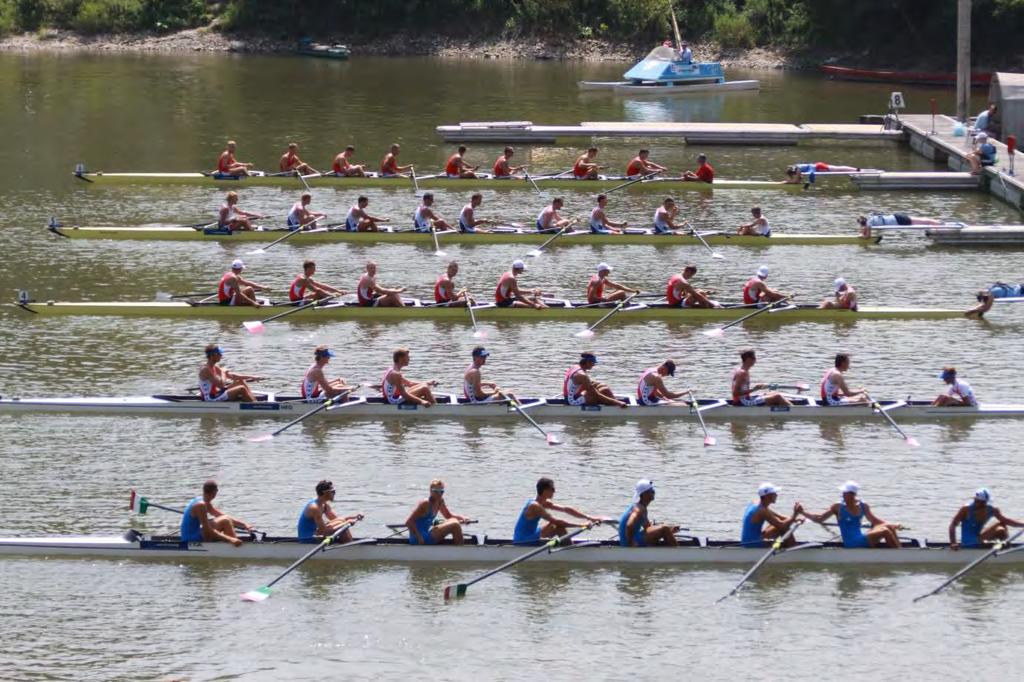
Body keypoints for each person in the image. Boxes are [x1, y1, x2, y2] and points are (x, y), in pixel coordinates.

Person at [802, 481, 902, 549]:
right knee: (885, 530)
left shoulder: (863, 505)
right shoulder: (838, 506)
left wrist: (893, 524)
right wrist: (802, 512)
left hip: (861, 538)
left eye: (845, 492)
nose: (842, 494)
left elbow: (875, 522)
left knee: (889, 527)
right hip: (851, 543)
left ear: (852, 494)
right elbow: (820, 518)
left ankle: (900, 552)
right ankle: (900, 554)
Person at [513, 477, 604, 544]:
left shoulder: (543, 502)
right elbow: (557, 522)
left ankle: (567, 548)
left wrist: (590, 518)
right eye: (552, 489)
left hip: (532, 533)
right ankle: (570, 553)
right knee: (557, 526)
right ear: (545, 490)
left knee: (555, 526)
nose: (554, 491)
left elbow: (565, 509)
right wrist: (582, 525)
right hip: (523, 540)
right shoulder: (535, 506)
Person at [181, 480, 252, 546]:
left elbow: (220, 515)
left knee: (225, 518)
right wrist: (230, 539)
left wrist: (244, 525)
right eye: (217, 490)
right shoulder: (200, 505)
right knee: (225, 521)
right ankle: (235, 547)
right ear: (214, 492)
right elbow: (207, 529)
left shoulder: (202, 500)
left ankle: (235, 544)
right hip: (190, 539)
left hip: (195, 533)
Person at [948, 487, 1024, 549]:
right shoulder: (965, 509)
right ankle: (1003, 548)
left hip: (979, 539)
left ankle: (1004, 548)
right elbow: (953, 525)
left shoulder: (991, 509)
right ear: (975, 499)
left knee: (1001, 526)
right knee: (1000, 528)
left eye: (984, 502)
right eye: (977, 501)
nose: (978, 503)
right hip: (968, 544)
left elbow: (1007, 521)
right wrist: (953, 543)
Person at [406, 479, 472, 545]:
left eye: (441, 491)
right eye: (436, 491)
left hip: (427, 534)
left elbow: (448, 515)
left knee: (453, 520)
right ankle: (461, 551)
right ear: (431, 491)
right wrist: (419, 537)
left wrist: (463, 518)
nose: (439, 494)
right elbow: (409, 522)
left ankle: (459, 548)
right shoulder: (425, 503)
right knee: (455, 525)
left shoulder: (440, 501)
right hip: (419, 539)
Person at [297, 480, 362, 542]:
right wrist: (347, 523)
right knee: (342, 526)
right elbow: (323, 532)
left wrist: (354, 517)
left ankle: (348, 545)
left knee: (341, 521)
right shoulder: (315, 508)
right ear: (325, 493)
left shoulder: (323, 504)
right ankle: (349, 549)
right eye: (333, 491)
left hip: (316, 532)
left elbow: (336, 519)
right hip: (307, 538)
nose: (334, 493)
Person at [619, 479, 679, 547]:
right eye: (651, 491)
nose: (654, 492)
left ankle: (668, 553)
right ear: (644, 494)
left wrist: (670, 530)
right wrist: (631, 543)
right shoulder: (638, 510)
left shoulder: (642, 507)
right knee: (664, 528)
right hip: (630, 543)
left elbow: (648, 527)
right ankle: (678, 555)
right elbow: (629, 525)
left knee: (664, 527)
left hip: (634, 538)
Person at [741, 483, 802, 547]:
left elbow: (778, 517)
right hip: (753, 544)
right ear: (768, 496)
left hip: (748, 541)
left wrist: (794, 519)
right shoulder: (762, 510)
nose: (776, 495)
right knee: (784, 528)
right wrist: (795, 515)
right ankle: (793, 550)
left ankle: (786, 546)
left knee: (779, 523)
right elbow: (782, 526)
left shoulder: (756, 503)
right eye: (774, 493)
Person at [856, 213, 944, 239]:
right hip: (896, 216)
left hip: (898, 220)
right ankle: (937, 222)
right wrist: (862, 231)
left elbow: (868, 236)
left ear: (862, 224)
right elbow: (865, 230)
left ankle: (937, 224)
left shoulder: (868, 224)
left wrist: (861, 236)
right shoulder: (871, 218)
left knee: (920, 222)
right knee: (918, 219)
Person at [785, 162, 860, 185]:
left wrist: (811, 182)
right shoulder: (796, 168)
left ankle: (855, 169)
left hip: (818, 166)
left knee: (838, 168)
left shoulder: (797, 169)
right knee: (837, 168)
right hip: (817, 166)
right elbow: (798, 179)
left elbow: (811, 173)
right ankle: (855, 169)